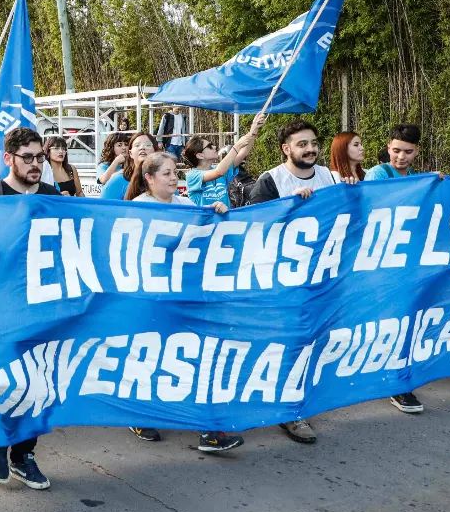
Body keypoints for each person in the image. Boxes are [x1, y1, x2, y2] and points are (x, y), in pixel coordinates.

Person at [122, 151, 243, 450]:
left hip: (186, 295)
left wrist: (216, 211)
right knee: (150, 355)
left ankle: (210, 429)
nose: (174, 178)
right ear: (148, 178)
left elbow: (206, 230)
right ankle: (141, 414)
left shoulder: (186, 204)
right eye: (166, 173)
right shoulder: (138, 208)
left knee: (197, 356)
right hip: (151, 296)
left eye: (175, 172)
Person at [0, 128, 58, 490]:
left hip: (43, 307)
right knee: (5, 379)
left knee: (40, 382)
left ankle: (24, 453)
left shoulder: (55, 197)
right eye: (28, 157)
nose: (36, 164)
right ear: (8, 158)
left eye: (40, 157)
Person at [247, 119, 338, 444]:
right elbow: (252, 228)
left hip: (321, 279)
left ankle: (294, 399)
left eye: (313, 142)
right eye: (302, 144)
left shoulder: (330, 177)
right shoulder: (271, 181)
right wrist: (290, 209)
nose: (310, 149)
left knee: (311, 341)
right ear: (287, 149)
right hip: (282, 282)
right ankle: (289, 411)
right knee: (287, 343)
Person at [362, 124, 427, 415]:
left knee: (402, 321)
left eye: (408, 152)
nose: (401, 156)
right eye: (396, 150)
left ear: (417, 152)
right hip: (379, 260)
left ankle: (394, 378)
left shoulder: (416, 178)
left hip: (405, 261)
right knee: (389, 321)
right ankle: (396, 383)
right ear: (388, 148)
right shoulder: (378, 173)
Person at [182, 114, 266, 208]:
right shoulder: (192, 176)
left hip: (225, 222)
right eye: (209, 146)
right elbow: (219, 172)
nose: (214, 147)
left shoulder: (220, 169)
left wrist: (253, 130)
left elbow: (243, 153)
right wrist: (237, 146)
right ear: (200, 155)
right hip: (206, 222)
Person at [100, 131, 155, 199]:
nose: (142, 148)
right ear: (130, 153)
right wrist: (116, 161)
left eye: (148, 145)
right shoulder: (118, 179)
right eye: (137, 145)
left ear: (156, 151)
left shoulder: (164, 178)